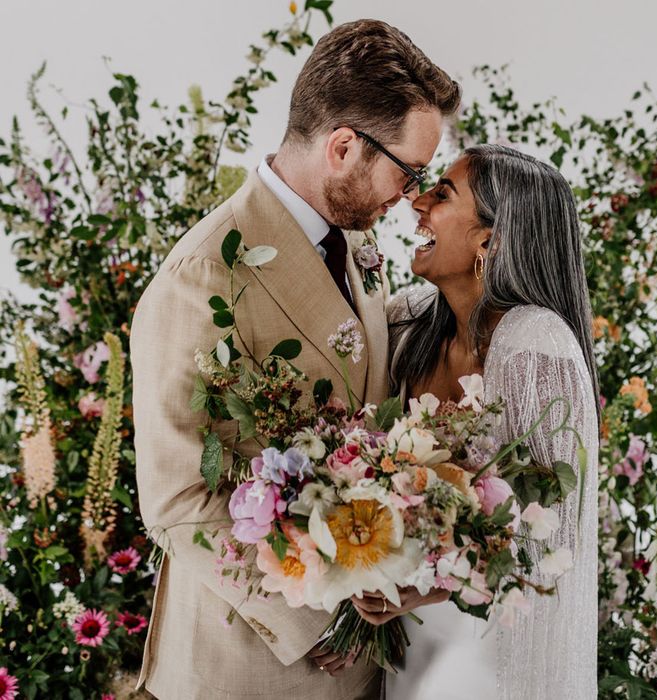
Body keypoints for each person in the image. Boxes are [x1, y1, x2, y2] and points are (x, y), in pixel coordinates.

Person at [129, 19, 460, 700]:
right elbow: (175, 496)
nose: (413, 195)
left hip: (362, 654)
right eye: (410, 172)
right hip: (248, 662)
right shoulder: (203, 276)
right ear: (343, 147)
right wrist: (323, 609)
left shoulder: (354, 237)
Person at [354, 144, 599, 698]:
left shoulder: (537, 346)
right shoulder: (408, 324)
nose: (416, 201)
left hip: (487, 644)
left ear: (488, 239)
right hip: (409, 639)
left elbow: (548, 537)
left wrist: (428, 589)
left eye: (442, 194)